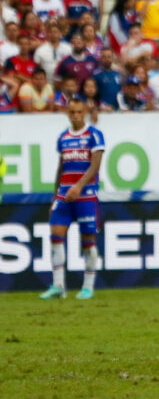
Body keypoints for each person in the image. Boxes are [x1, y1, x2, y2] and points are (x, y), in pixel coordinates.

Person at [40, 98, 105, 300]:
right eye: (72, 112)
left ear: (84, 112)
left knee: (88, 242)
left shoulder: (94, 135)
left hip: (86, 196)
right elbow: (61, 168)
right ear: (68, 113)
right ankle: (59, 285)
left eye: (79, 112)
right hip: (64, 196)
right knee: (55, 236)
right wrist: (54, 198)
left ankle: (88, 286)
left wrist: (79, 186)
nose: (75, 116)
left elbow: (95, 166)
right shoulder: (63, 137)